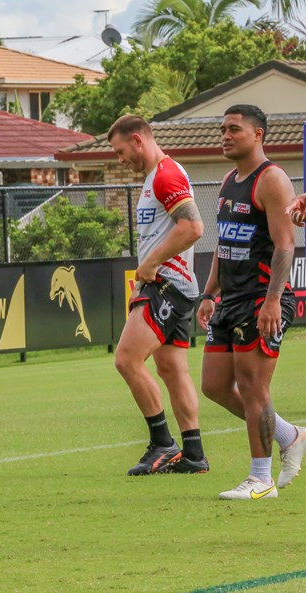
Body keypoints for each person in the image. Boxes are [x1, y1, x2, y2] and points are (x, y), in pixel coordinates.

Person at [197, 104, 306, 500]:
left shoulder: (272, 179)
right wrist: (210, 293)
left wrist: (273, 300)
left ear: (258, 134)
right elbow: (223, 246)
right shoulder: (228, 179)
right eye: (222, 129)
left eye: (234, 130)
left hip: (262, 299)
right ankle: (290, 435)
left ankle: (261, 481)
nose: (225, 136)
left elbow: (285, 244)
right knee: (214, 386)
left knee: (253, 387)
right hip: (230, 300)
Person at [108, 115, 209, 476]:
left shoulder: (166, 174)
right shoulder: (157, 177)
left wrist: (150, 264)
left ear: (137, 140)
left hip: (166, 284)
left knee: (126, 360)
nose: (120, 159)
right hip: (174, 285)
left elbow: (194, 227)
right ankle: (193, 452)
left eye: (121, 151)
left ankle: (163, 443)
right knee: (171, 369)